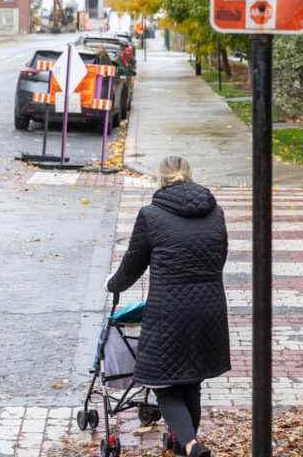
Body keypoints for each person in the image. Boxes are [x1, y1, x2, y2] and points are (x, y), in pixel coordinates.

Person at [107, 156, 230, 457]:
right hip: (210, 309)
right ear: (190, 176)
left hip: (169, 314)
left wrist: (114, 285)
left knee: (163, 384)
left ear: (160, 180)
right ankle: (183, 446)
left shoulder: (151, 215)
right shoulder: (216, 213)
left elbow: (132, 265)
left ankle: (189, 444)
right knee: (192, 380)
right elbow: (220, 257)